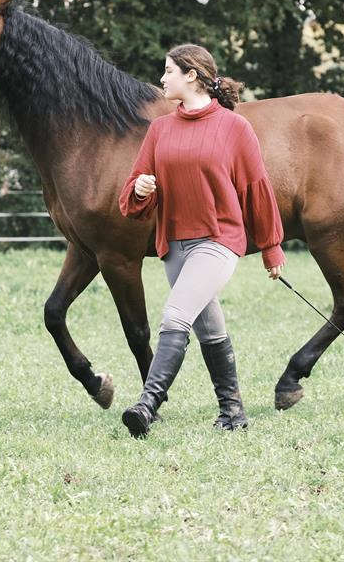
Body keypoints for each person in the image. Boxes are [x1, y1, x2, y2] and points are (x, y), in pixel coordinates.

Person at [118, 44, 285, 438]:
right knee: (209, 328)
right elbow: (133, 195)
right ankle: (233, 411)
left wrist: (271, 246)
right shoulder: (159, 130)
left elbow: (256, 189)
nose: (162, 79)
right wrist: (141, 188)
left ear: (191, 75)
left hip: (219, 240)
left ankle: (147, 404)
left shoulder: (234, 127)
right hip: (175, 245)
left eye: (168, 71)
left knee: (175, 316)